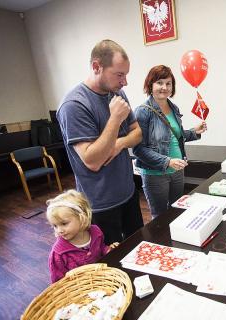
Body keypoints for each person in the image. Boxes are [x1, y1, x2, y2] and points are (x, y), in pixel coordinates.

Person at [57, 39, 143, 244]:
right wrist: (114, 118)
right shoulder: (74, 105)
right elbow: (93, 160)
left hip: (128, 192)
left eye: (126, 75)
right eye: (119, 74)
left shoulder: (117, 93)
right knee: (109, 263)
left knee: (137, 247)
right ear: (96, 67)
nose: (125, 82)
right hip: (100, 204)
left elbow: (138, 133)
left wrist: (119, 144)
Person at [133, 65, 207, 219]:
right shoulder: (142, 112)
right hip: (155, 174)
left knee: (176, 211)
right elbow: (138, 150)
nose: (164, 87)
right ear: (150, 85)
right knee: (160, 217)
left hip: (178, 170)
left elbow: (174, 137)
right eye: (159, 83)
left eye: (168, 83)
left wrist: (194, 132)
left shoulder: (174, 108)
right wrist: (167, 161)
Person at [47, 189, 119, 283]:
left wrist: (108, 250)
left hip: (102, 280)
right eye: (55, 226)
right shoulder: (58, 254)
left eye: (64, 223)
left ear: (82, 217)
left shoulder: (96, 232)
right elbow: (58, 282)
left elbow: (100, 248)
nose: (59, 230)